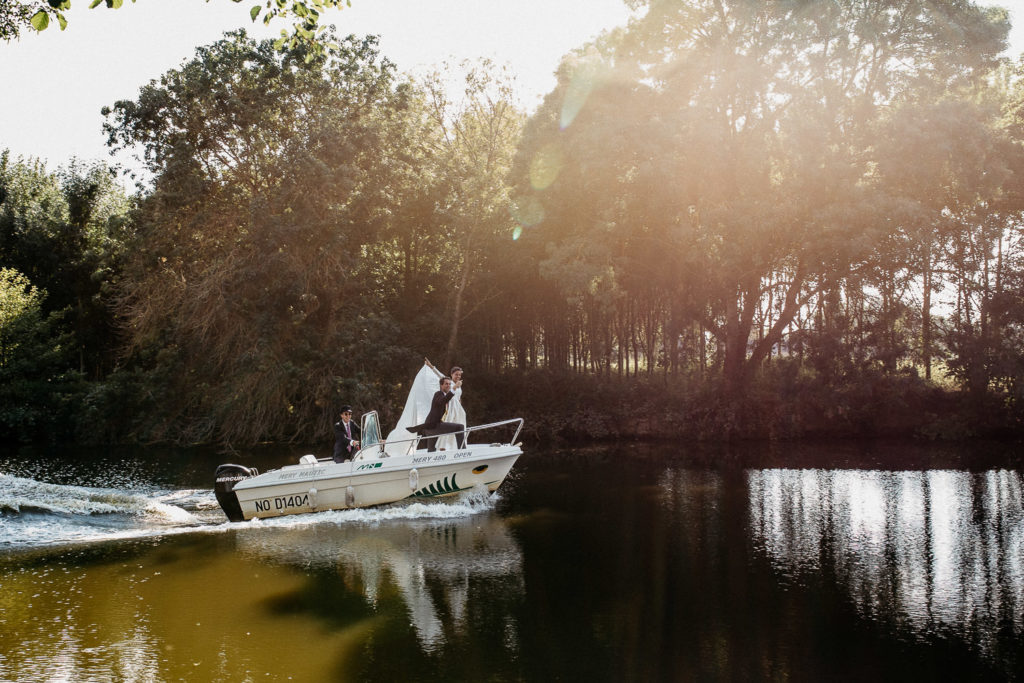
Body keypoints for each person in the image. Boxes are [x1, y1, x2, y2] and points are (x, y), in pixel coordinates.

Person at [414, 377, 465, 452]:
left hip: (430, 427)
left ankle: (431, 461)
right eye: (446, 384)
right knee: (460, 427)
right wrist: (454, 387)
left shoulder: (444, 396)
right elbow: (442, 401)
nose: (448, 385)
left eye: (450, 384)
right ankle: (463, 452)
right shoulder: (438, 394)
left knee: (431, 450)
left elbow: (447, 402)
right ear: (441, 385)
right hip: (433, 426)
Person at [437, 366, 467, 451]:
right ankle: (442, 446)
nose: (458, 376)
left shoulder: (459, 384)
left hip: (458, 407)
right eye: (456, 374)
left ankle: (458, 445)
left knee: (460, 423)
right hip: (451, 406)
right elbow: (438, 374)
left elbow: (459, 396)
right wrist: (431, 366)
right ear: (451, 374)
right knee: (448, 423)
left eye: (459, 375)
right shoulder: (449, 383)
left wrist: (460, 402)